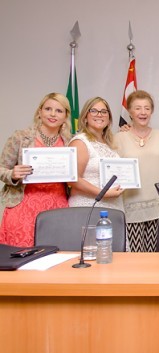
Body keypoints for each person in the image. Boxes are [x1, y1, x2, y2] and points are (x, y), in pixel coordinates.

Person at [0, 93, 71, 247]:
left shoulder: (70, 142)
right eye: (48, 109)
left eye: (59, 111)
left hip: (57, 205)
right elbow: (2, 168)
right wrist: (12, 174)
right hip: (23, 205)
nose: (53, 114)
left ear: (66, 116)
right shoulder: (20, 137)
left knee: (56, 257)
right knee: (21, 258)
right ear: (39, 112)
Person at [115, 90, 159, 252]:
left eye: (147, 108)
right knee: (135, 257)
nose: (143, 112)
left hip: (158, 205)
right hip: (131, 206)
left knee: (154, 257)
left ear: (152, 111)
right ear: (129, 111)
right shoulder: (118, 138)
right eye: (137, 108)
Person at [68, 97, 124, 211]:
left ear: (109, 118)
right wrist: (102, 193)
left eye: (104, 112)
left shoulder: (110, 144)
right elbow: (73, 179)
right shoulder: (80, 142)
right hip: (88, 207)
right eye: (93, 111)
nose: (99, 115)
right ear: (85, 117)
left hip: (114, 207)